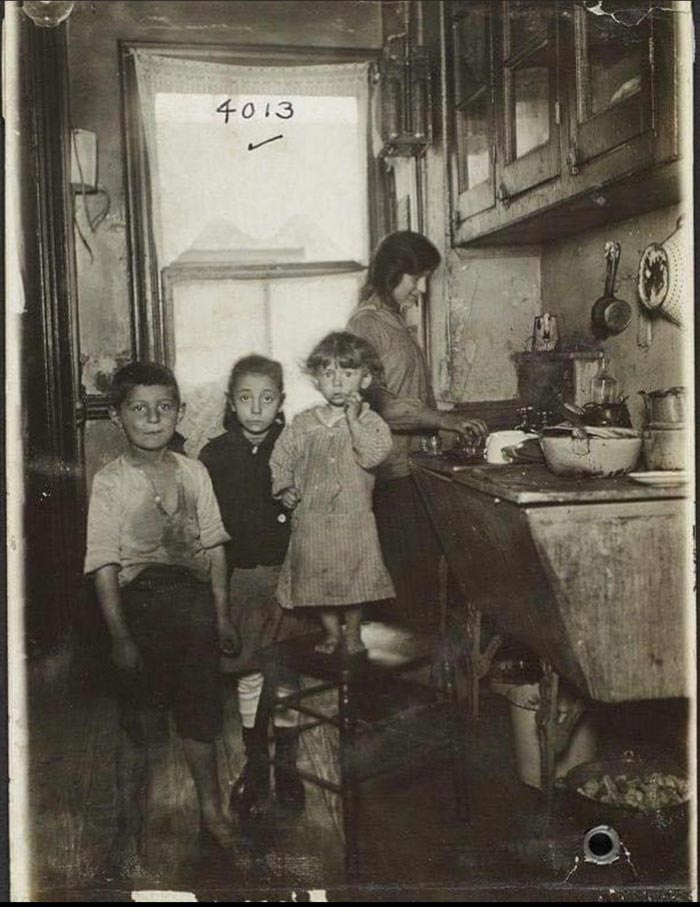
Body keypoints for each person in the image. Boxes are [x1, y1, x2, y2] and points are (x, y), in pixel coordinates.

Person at [84, 361, 239, 872]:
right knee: (139, 728)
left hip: (194, 610)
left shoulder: (195, 472)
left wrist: (222, 617)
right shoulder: (111, 482)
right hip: (140, 612)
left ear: (180, 412)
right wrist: (120, 637)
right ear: (116, 416)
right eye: (139, 409)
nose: (153, 419)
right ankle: (127, 831)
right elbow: (104, 564)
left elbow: (214, 547)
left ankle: (212, 813)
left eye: (164, 407)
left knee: (201, 722)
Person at [347, 231, 488, 627]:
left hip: (411, 471)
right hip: (390, 479)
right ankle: (407, 684)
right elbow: (379, 404)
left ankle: (422, 678)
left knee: (422, 591)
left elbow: (409, 394)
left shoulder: (391, 322)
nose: (421, 288)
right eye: (416, 277)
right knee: (405, 600)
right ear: (393, 273)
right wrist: (445, 421)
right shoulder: (365, 326)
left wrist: (448, 425)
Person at [199, 355, 307, 819]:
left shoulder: (294, 446)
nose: (256, 408)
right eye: (246, 398)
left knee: (285, 676)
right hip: (241, 581)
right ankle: (254, 762)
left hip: (290, 579)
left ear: (281, 402)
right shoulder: (215, 455)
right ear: (231, 403)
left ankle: (286, 763)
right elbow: (207, 532)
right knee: (248, 673)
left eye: (267, 398)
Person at [270, 332, 395, 656]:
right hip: (311, 521)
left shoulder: (371, 422)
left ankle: (352, 633)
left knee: (355, 582)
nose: (338, 382)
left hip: (353, 523)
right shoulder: (303, 423)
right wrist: (284, 487)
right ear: (316, 380)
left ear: (365, 378)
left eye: (348, 373)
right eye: (329, 374)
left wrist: (353, 422)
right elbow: (281, 457)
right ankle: (330, 632)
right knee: (316, 582)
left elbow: (372, 456)